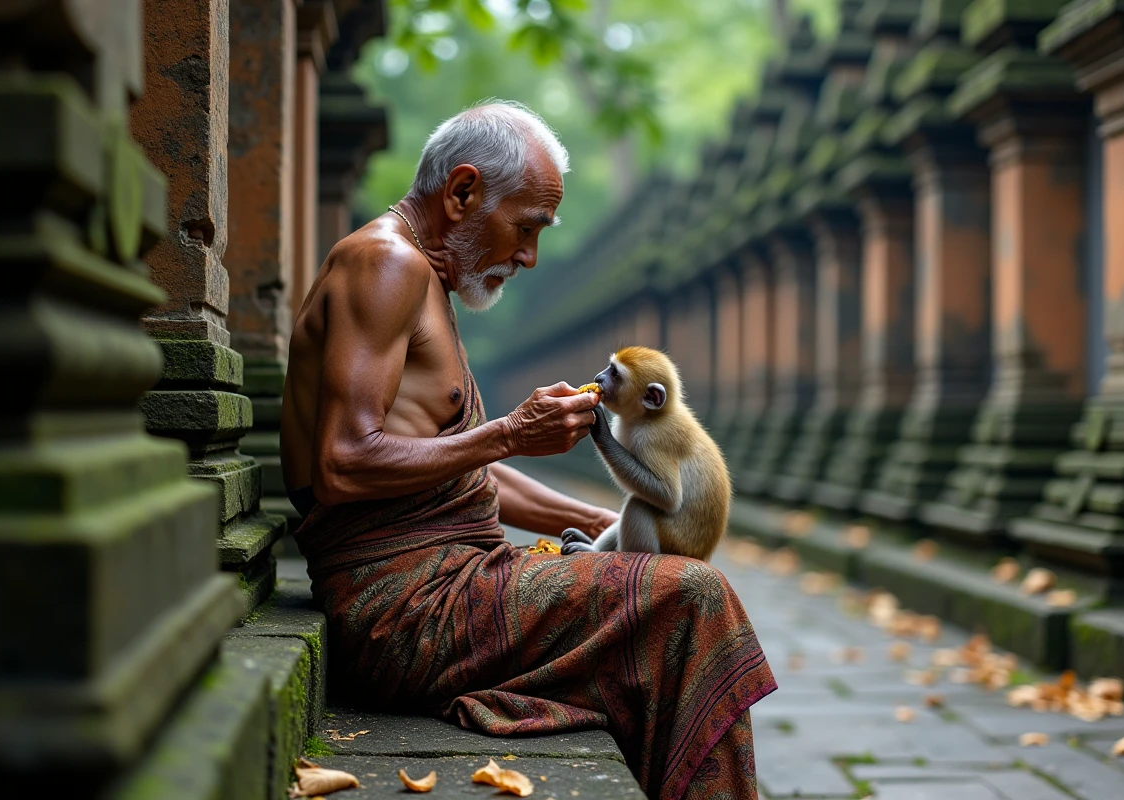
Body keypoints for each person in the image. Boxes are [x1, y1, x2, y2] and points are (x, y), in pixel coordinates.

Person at [280, 100, 776, 800]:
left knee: (661, 581)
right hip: (404, 612)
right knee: (694, 599)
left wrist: (625, 535)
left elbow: (464, 478)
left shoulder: (424, 277)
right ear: (461, 193)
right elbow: (342, 463)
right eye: (525, 227)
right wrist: (511, 431)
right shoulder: (386, 265)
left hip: (448, 583)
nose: (529, 256)